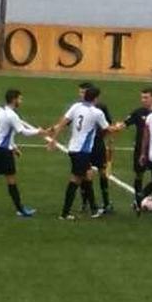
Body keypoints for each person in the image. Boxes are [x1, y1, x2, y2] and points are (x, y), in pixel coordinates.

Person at [48, 86, 120, 221]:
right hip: (82, 151)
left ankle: (93, 209)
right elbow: (107, 129)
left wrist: (53, 139)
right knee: (75, 179)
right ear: (96, 98)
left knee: (88, 175)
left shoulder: (76, 107)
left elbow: (63, 123)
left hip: (73, 148)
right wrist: (118, 127)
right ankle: (64, 213)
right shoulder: (96, 112)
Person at [0, 89, 48, 217]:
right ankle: (20, 209)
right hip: (3, 152)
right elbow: (22, 131)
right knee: (11, 179)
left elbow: (4, 133)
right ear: (14, 100)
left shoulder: (1, 111)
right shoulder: (12, 115)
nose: (21, 101)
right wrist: (39, 131)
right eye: (19, 99)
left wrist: (13, 147)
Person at [77, 82, 114, 214]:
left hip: (97, 144)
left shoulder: (101, 108)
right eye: (79, 92)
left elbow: (108, 124)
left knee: (102, 172)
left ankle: (106, 202)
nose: (81, 95)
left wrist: (105, 137)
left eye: (83, 92)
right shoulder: (78, 107)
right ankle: (85, 202)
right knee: (84, 174)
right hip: (84, 146)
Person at [124, 88, 152, 210]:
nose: (143, 100)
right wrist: (115, 127)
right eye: (142, 97)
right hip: (140, 148)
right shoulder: (138, 112)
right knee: (139, 174)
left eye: (146, 97)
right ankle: (137, 200)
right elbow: (125, 123)